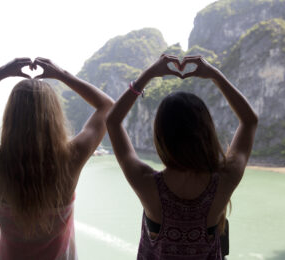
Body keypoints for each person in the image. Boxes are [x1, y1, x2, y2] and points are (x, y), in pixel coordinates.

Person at [0, 57, 114, 260]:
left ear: (10, 117)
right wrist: (61, 74)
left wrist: (2, 72)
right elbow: (107, 106)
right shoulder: (70, 160)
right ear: (55, 117)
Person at [106, 55, 258, 259]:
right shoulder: (224, 181)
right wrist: (215, 75)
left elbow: (113, 122)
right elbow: (249, 121)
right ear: (207, 132)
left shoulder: (146, 184)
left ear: (161, 137)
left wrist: (149, 74)